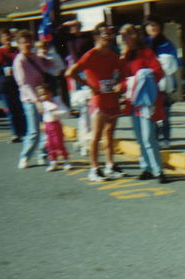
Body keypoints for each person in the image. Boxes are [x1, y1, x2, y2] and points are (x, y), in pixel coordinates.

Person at [66, 22, 127, 182]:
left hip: (112, 98)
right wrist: (89, 86)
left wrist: (119, 83)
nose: (108, 37)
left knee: (109, 134)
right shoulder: (90, 55)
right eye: (104, 34)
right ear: (96, 37)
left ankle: (110, 165)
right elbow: (70, 73)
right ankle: (94, 169)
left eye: (110, 33)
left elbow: (123, 73)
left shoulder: (113, 56)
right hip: (98, 100)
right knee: (96, 136)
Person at [119, 23, 166, 183]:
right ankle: (146, 168)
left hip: (146, 102)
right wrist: (128, 83)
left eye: (128, 33)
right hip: (133, 103)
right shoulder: (125, 57)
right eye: (122, 34)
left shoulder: (146, 53)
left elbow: (158, 72)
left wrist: (142, 77)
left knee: (148, 137)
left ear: (136, 35)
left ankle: (158, 170)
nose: (124, 37)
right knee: (140, 138)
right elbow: (122, 81)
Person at [13, 29, 53, 169]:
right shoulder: (19, 61)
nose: (28, 44)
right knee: (34, 130)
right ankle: (25, 156)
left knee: (48, 127)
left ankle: (43, 154)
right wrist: (37, 102)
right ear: (18, 45)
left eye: (29, 41)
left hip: (43, 96)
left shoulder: (35, 56)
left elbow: (49, 67)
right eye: (24, 42)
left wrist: (47, 57)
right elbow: (24, 85)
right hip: (30, 100)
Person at [144, 14, 179, 149]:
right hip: (147, 83)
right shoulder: (142, 43)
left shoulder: (167, 43)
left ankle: (165, 138)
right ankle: (152, 137)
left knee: (164, 111)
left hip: (163, 82)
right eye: (149, 25)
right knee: (149, 112)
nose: (152, 28)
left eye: (155, 25)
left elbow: (174, 63)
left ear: (160, 27)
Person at [0, 28, 26, 142]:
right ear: (1, 40)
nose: (7, 39)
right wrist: (5, 70)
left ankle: (23, 132)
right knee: (11, 110)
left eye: (8, 37)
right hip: (5, 84)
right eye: (4, 38)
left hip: (17, 82)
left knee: (19, 109)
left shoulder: (16, 50)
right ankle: (15, 133)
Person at [35, 83, 70, 172]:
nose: (43, 96)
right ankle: (53, 161)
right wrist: (42, 124)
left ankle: (66, 161)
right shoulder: (42, 104)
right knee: (49, 144)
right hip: (47, 125)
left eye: (45, 94)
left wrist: (55, 112)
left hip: (56, 124)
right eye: (41, 95)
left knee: (58, 143)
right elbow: (42, 116)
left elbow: (66, 112)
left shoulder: (56, 101)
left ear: (50, 93)